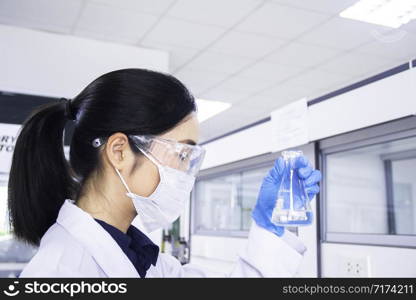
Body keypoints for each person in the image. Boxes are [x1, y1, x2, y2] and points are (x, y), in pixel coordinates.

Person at [8, 68, 321, 277]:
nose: (186, 172)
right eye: (182, 153)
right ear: (119, 151)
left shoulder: (144, 259)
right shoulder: (60, 272)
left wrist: (269, 226)